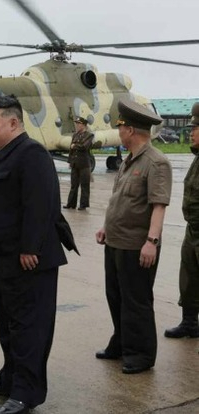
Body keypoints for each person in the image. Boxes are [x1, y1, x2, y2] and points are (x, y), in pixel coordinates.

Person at [0, 96, 75, 414]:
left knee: (29, 328)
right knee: (8, 325)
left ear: (13, 123)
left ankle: (25, 393)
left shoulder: (31, 154)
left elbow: (42, 205)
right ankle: (10, 379)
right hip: (1, 261)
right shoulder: (4, 156)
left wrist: (31, 247)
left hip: (27, 262)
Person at [94, 98, 172, 374]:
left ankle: (141, 353)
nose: (119, 132)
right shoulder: (128, 161)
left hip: (136, 246)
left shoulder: (156, 162)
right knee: (115, 297)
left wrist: (151, 242)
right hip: (115, 242)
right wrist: (106, 227)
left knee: (136, 301)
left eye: (121, 127)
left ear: (131, 130)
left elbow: (159, 205)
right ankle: (122, 341)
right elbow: (121, 201)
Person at [164, 102, 199, 339]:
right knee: (189, 278)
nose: (191, 132)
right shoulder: (196, 159)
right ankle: (189, 323)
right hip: (193, 230)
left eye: (196, 128)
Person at [64, 116, 94, 210]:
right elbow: (71, 150)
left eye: (78, 124)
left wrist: (75, 146)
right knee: (74, 185)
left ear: (84, 125)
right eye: (76, 124)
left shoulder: (89, 135)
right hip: (75, 164)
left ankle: (83, 205)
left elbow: (84, 146)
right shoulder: (75, 135)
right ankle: (71, 204)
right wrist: (70, 161)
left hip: (84, 164)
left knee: (84, 185)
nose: (76, 125)